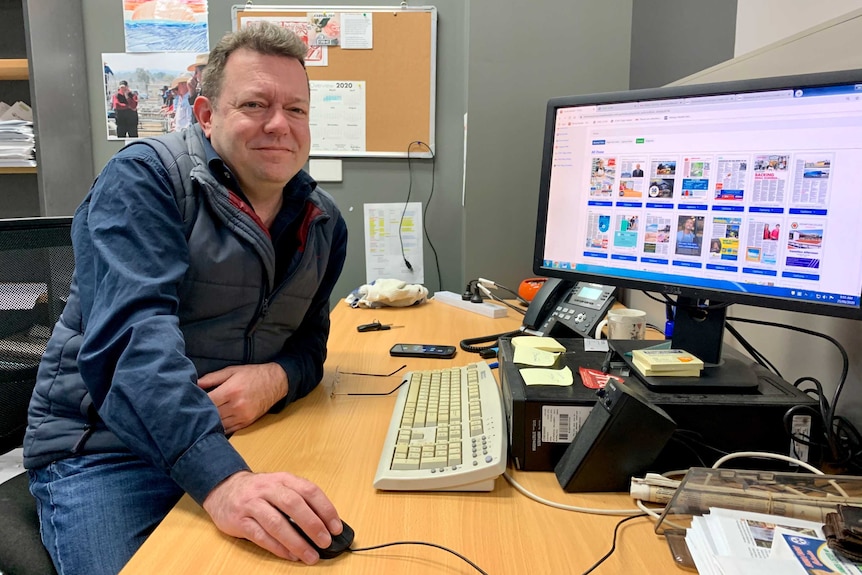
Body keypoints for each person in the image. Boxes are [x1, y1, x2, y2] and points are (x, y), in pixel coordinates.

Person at [24, 22, 348, 575]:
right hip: (106, 452)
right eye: (255, 104)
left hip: (236, 438)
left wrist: (279, 377)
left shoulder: (322, 223)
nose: (279, 124)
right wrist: (222, 482)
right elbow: (134, 345)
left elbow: (311, 342)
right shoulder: (144, 181)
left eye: (296, 110)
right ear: (205, 115)